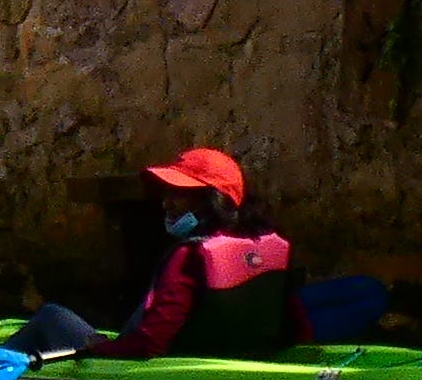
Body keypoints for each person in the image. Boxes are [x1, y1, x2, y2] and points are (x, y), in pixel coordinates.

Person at [16, 148, 303, 361]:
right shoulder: (270, 249)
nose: (166, 203)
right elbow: (298, 328)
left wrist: (101, 348)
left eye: (180, 194)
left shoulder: (190, 256)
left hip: (175, 366)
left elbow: (149, 344)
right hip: (244, 358)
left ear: (211, 201)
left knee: (51, 318)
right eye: (167, 193)